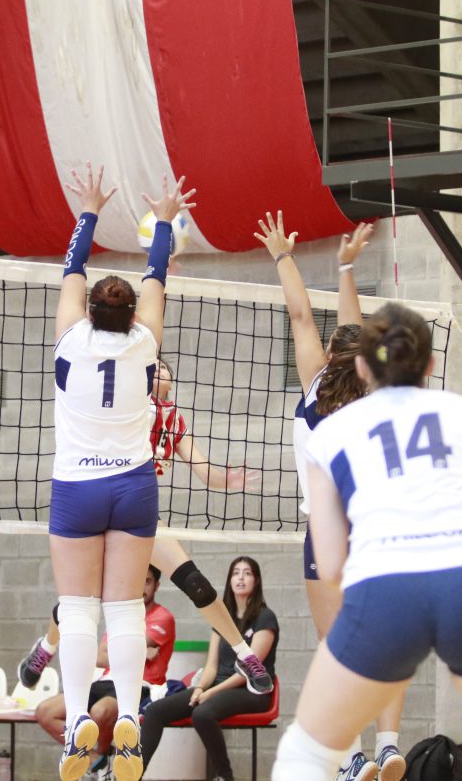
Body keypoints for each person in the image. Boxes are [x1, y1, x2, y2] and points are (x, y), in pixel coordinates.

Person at [270, 303, 462, 781]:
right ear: (431, 364)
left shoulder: (332, 435)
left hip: (388, 584)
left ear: (362, 367)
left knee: (306, 752)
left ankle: (357, 756)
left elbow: (330, 564)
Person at [49, 164, 193, 781]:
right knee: (126, 608)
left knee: (78, 607)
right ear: (132, 315)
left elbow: (71, 270)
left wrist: (88, 211)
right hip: (134, 485)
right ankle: (129, 714)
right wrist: (164, 221)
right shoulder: (145, 345)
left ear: (89, 310)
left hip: (77, 487)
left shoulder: (70, 340)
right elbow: (156, 276)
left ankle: (79, 720)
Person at [19, 359, 272, 699]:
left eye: (164, 369)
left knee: (196, 583)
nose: (158, 370)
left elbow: (205, 471)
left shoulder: (173, 419)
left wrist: (227, 479)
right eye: (153, 367)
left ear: (170, 381)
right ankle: (47, 647)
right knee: (81, 601)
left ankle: (245, 655)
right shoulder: (126, 403)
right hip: (100, 505)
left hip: (138, 515)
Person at [256, 213, 406, 781]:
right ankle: (389, 745)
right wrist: (346, 268)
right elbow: (351, 328)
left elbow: (301, 315)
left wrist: (283, 256)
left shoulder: (316, 386)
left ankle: (353, 756)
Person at [141, 557, 276, 781]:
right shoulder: (222, 619)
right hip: (215, 687)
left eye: (247, 573)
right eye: (236, 573)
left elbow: (251, 671)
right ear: (229, 580)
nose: (240, 578)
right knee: (155, 711)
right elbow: (211, 666)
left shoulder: (265, 618)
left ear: (257, 580)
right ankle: (132, 775)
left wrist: (211, 692)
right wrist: (200, 688)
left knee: (202, 713)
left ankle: (224, 776)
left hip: (252, 691)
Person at [35, 566, 176, 780]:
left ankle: (103, 764)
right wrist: (136, 654)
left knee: (99, 713)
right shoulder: (118, 618)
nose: (141, 587)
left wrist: (125, 654)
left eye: (147, 581)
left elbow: (122, 656)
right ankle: (98, 761)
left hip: (140, 685)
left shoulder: (163, 617)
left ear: (156, 586)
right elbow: (100, 657)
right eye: (138, 580)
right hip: (104, 680)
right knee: (45, 712)